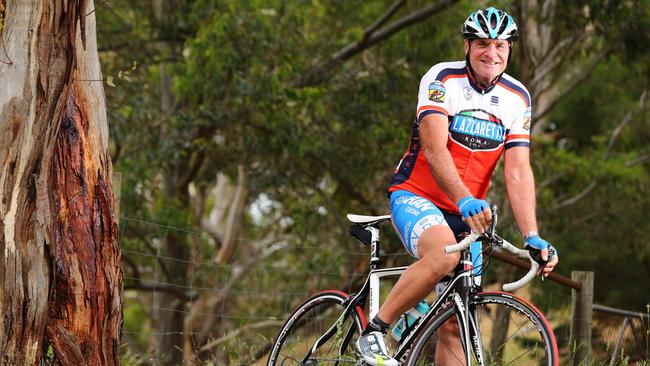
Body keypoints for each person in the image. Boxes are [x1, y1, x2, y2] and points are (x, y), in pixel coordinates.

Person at [355, 7, 559, 366]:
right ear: (467, 45)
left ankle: (414, 317)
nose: (491, 53)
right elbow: (434, 150)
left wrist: (532, 234)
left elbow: (517, 172)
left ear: (509, 49)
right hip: (416, 195)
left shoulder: (518, 97)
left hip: (467, 215)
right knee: (444, 255)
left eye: (499, 45)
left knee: (455, 320)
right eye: (482, 43)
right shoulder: (442, 79)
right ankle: (374, 331)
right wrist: (464, 198)